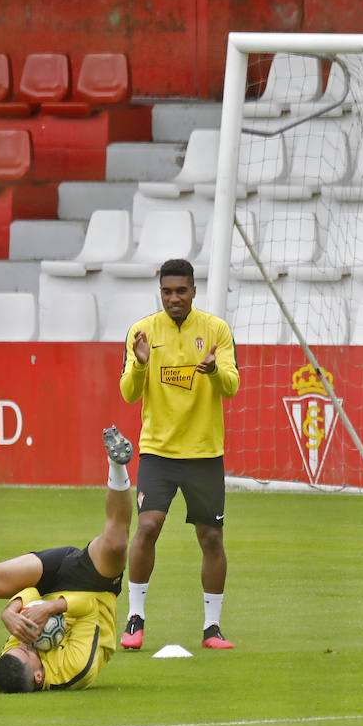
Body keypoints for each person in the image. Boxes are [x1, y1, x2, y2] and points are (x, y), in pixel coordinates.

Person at [0, 426, 135, 692]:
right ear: (39, 677)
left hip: (52, 586)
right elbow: (89, 606)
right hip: (93, 591)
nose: (22, 643)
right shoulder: (75, 670)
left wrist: (10, 611)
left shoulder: (13, 654)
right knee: (116, 543)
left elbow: (31, 591)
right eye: (27, 651)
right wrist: (49, 609)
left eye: (17, 646)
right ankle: (117, 463)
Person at [119, 257, 241, 649]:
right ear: (161, 292)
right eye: (167, 292)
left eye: (181, 291)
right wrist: (140, 366)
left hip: (204, 453)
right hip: (158, 451)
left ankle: (212, 627)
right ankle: (135, 619)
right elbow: (128, 393)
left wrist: (214, 372)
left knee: (211, 538)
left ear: (193, 291)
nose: (174, 298)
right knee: (148, 527)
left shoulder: (215, 330)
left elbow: (232, 385)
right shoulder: (142, 331)